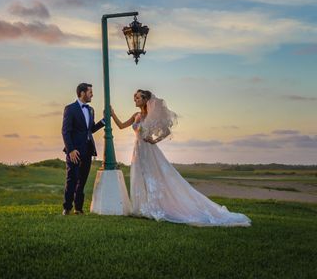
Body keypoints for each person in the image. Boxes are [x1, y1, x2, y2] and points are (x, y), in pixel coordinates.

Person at [110, 89, 251, 226]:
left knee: (153, 177)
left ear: (146, 100)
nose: (135, 100)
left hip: (148, 150)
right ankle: (141, 208)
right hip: (137, 150)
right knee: (140, 176)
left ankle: (154, 207)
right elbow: (121, 126)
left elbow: (166, 131)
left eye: (138, 98)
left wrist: (155, 140)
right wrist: (112, 114)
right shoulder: (136, 115)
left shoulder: (152, 116)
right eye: (135, 98)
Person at [61, 83, 105, 215]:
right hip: (74, 151)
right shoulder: (70, 109)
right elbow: (65, 131)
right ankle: (67, 207)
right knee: (72, 179)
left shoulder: (91, 110)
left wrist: (103, 121)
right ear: (82, 93)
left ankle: (78, 208)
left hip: (87, 150)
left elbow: (90, 130)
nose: (92, 94)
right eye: (90, 92)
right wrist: (71, 150)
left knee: (82, 180)